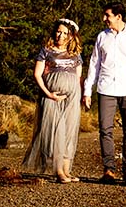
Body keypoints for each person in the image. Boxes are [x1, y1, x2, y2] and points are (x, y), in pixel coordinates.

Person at [82, 6, 126, 182]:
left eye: (108, 15)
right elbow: (94, 65)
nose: (104, 18)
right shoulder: (101, 37)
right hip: (106, 89)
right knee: (105, 129)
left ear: (118, 16)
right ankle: (109, 170)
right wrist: (87, 90)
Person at [23, 18, 84, 182]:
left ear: (71, 35)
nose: (61, 35)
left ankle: (66, 169)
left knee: (70, 132)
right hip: (52, 97)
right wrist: (48, 94)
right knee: (57, 131)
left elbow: (78, 76)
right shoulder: (46, 50)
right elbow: (37, 74)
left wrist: (79, 94)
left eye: (65, 33)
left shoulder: (75, 53)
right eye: (59, 31)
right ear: (54, 32)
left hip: (72, 97)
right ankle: (58, 172)